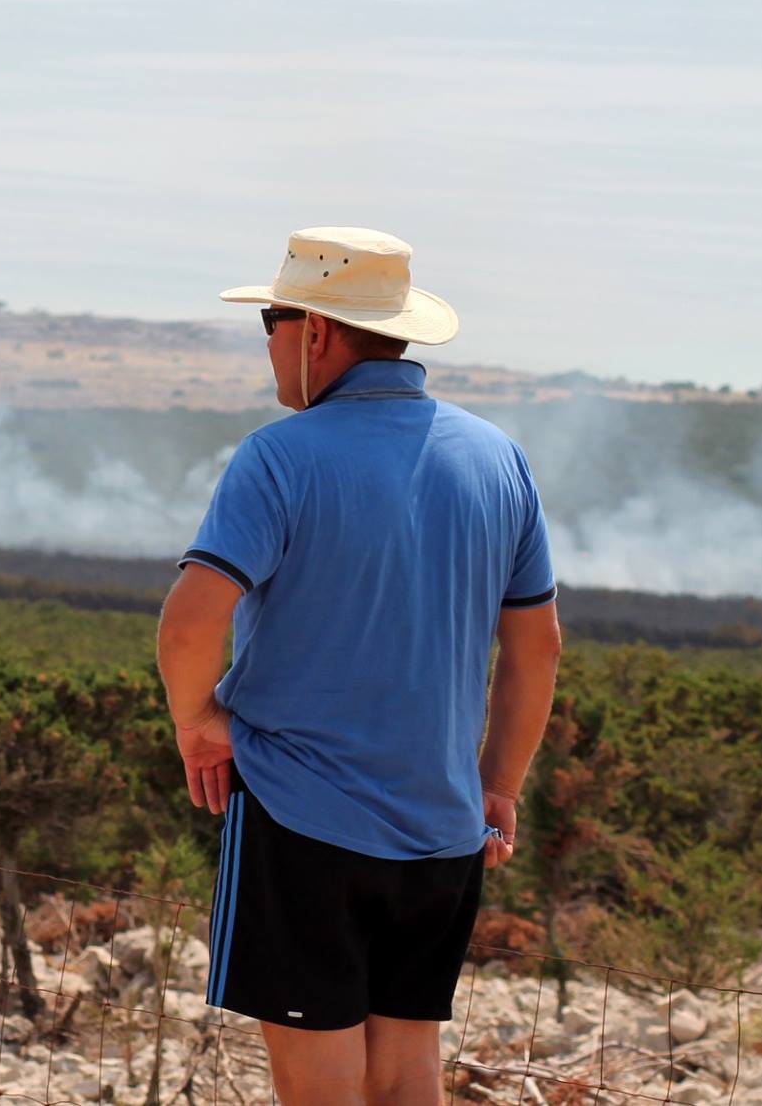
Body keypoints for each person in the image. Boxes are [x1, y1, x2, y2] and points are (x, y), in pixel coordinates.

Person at [156, 228, 563, 1106]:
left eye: (269, 318)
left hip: (301, 818)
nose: (264, 340)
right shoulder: (500, 459)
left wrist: (199, 722)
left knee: (319, 1085)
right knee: (409, 1074)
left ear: (313, 331)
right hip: (443, 824)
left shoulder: (279, 455)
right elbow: (538, 648)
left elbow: (191, 623)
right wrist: (498, 785)